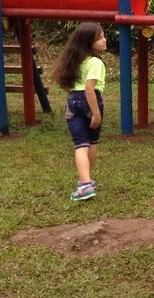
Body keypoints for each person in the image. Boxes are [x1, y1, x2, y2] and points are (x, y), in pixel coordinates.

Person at [52, 22, 107, 202]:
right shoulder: (95, 62)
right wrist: (96, 113)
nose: (104, 40)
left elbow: (66, 85)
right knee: (92, 142)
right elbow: (90, 89)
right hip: (91, 101)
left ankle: (86, 182)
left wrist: (74, 98)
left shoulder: (73, 60)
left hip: (73, 101)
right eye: (99, 38)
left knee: (80, 145)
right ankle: (86, 184)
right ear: (87, 42)